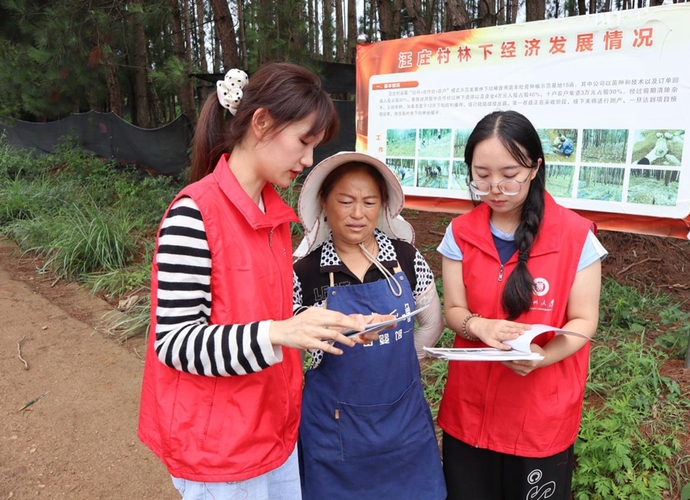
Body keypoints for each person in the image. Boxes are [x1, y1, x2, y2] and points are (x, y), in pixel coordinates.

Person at [138, 63, 378, 500]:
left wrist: (323, 324)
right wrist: (282, 331)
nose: (308, 161)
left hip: (271, 429)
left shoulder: (273, 218)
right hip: (218, 447)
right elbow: (174, 343)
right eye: (304, 142)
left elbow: (265, 319)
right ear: (262, 122)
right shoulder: (194, 215)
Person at [437, 110, 607, 499]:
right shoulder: (460, 233)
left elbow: (584, 319)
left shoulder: (575, 235)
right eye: (481, 174)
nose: (495, 186)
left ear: (535, 168)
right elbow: (455, 311)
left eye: (510, 174)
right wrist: (479, 327)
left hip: (539, 418)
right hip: (470, 414)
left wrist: (541, 359)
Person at [292, 151, 447, 499]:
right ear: (323, 202)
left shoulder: (405, 258)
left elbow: (431, 323)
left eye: (369, 202)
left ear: (383, 206)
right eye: (345, 201)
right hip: (334, 425)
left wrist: (402, 368)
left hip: (403, 419)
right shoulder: (305, 271)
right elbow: (293, 336)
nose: (358, 214)